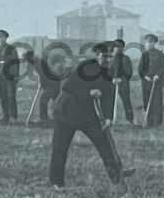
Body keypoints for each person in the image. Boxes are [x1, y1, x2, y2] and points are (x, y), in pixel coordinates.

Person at [48, 42, 129, 188]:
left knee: (105, 144)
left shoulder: (110, 71)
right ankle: (57, 182)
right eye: (104, 56)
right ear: (97, 55)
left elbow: (109, 95)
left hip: (88, 116)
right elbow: (68, 86)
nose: (108, 60)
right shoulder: (85, 67)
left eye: (111, 57)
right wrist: (88, 92)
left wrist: (109, 117)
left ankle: (117, 177)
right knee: (60, 149)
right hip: (67, 112)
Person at [137, 34, 164, 127]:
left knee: (156, 102)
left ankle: (157, 122)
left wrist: (158, 75)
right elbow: (140, 69)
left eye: (151, 42)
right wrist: (145, 76)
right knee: (146, 101)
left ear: (155, 43)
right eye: (147, 42)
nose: (149, 44)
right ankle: (148, 121)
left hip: (156, 82)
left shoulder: (160, 54)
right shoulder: (144, 54)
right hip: (146, 82)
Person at [0, 29, 19, 122]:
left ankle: (13, 116)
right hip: (0, 76)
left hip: (10, 76)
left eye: (2, 37)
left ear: (6, 38)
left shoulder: (12, 49)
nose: (0, 39)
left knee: (11, 96)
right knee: (3, 97)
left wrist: (15, 75)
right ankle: (5, 115)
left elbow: (16, 63)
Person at [109, 38, 134, 124]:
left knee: (126, 101)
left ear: (123, 48)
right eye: (116, 47)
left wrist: (121, 78)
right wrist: (112, 78)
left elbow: (129, 72)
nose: (118, 49)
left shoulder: (126, 59)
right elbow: (108, 72)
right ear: (113, 48)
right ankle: (110, 119)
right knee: (110, 101)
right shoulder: (110, 59)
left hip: (123, 83)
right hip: (112, 83)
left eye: (120, 47)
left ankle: (130, 120)